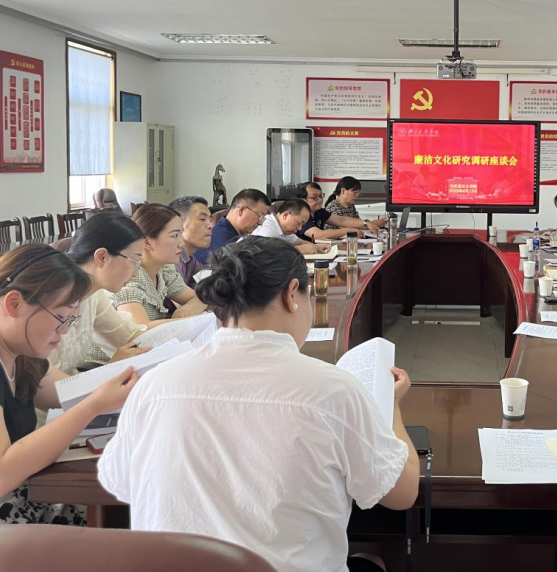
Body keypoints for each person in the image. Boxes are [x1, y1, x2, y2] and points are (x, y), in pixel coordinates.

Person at [99, 236, 419, 572]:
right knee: (372, 560)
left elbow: (119, 481)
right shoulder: (334, 391)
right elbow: (402, 493)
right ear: (291, 294)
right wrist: (391, 405)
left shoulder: (156, 384)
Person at [0, 245, 139, 535]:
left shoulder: (17, 352)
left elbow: (71, 393)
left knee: (126, 515)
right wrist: (94, 406)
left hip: (17, 499)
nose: (65, 330)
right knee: (118, 530)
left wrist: (140, 381)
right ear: (14, 304)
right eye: (62, 318)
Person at [51, 213, 151, 373]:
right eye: (134, 261)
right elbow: (46, 383)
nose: (135, 273)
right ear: (102, 257)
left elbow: (126, 335)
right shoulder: (51, 300)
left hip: (80, 384)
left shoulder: (94, 295)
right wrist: (111, 368)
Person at [112, 204, 207, 324]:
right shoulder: (130, 277)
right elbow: (140, 329)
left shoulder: (163, 270)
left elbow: (200, 299)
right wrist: (180, 321)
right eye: (174, 235)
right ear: (147, 242)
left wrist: (185, 310)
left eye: (181, 234)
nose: (181, 243)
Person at [194, 188, 271, 263]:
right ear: (241, 210)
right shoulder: (226, 243)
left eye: (263, 218)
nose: (260, 223)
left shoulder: (225, 231)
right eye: (260, 216)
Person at [253, 200, 330, 254]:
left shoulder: (284, 229)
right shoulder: (267, 227)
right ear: (286, 215)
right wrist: (301, 249)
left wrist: (316, 247)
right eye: (299, 223)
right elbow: (269, 254)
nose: (300, 228)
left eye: (302, 225)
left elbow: (299, 242)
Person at [169, 195, 213, 288]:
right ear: (179, 223)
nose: (210, 225)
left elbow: (210, 281)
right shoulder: (171, 260)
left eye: (210, 219)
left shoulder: (189, 259)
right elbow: (179, 297)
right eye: (202, 219)